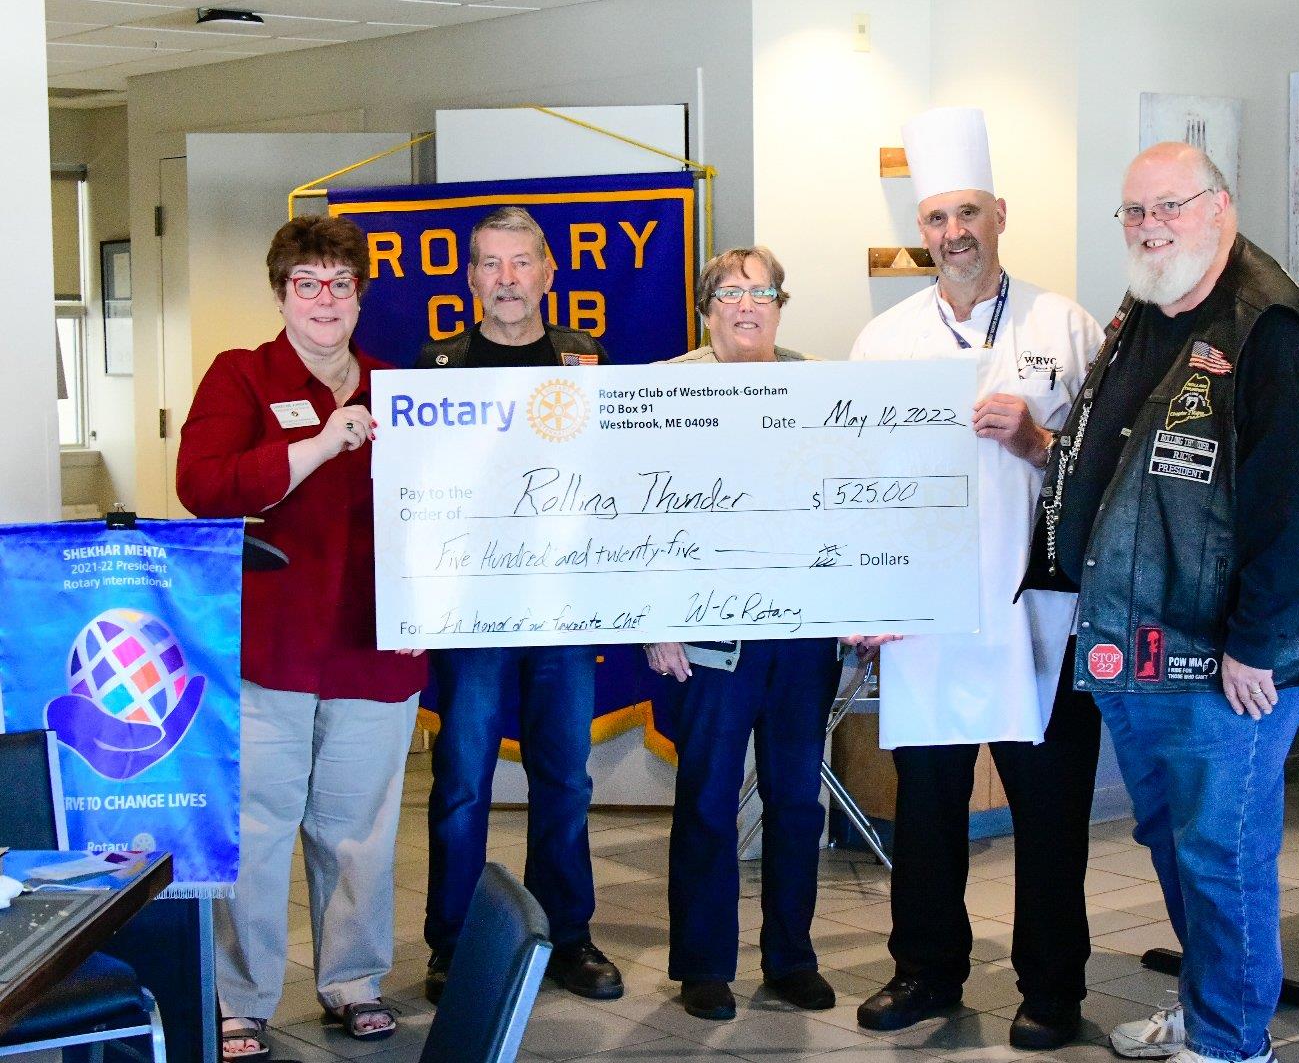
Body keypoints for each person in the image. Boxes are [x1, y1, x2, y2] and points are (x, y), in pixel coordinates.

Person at [1024, 142, 1299, 1063]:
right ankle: (1208, 1010)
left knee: (1223, 855)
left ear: (1220, 207)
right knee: (1178, 842)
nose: (1150, 226)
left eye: (1171, 206)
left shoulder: (1271, 329)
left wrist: (1257, 644)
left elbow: (1298, 503)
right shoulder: (1148, 308)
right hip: (1143, 641)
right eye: (1135, 210)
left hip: (1228, 660)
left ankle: (1233, 1043)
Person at [846, 106, 1105, 1051]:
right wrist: (867, 597)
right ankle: (925, 969)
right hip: (931, 612)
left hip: (1045, 610)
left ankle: (1052, 987)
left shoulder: (1065, 325)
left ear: (999, 214)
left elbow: (1106, 470)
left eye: (967, 213)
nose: (953, 233)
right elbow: (859, 485)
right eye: (936, 218)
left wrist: (1036, 441)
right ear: (921, 230)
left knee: (1050, 809)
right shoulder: (884, 342)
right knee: (927, 804)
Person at [177, 215, 428, 1061]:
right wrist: (317, 445)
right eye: (307, 283)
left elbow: (449, 508)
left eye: (341, 284)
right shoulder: (241, 376)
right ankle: (240, 999)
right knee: (257, 831)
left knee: (360, 832)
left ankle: (353, 982)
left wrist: (433, 601)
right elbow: (203, 487)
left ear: (361, 296)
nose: (325, 300)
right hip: (270, 650)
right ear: (282, 293)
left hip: (374, 648)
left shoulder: (399, 388)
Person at [417, 207, 622, 1004]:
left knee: (564, 779)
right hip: (470, 609)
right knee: (463, 781)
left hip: (562, 604)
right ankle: (454, 943)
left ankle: (567, 936)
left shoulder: (587, 358)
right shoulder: (437, 367)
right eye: (490, 264)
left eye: (521, 262)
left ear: (547, 272)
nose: (506, 279)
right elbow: (415, 494)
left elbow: (614, 475)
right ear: (471, 278)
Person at [642, 246, 843, 1022]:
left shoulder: (821, 384)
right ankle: (703, 965)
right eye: (731, 292)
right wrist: (653, 616)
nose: (748, 306)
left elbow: (851, 499)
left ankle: (791, 958)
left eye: (763, 292)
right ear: (706, 309)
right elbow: (633, 509)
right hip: (708, 636)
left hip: (801, 634)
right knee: (706, 800)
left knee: (796, 802)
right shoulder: (664, 388)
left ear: (780, 306)